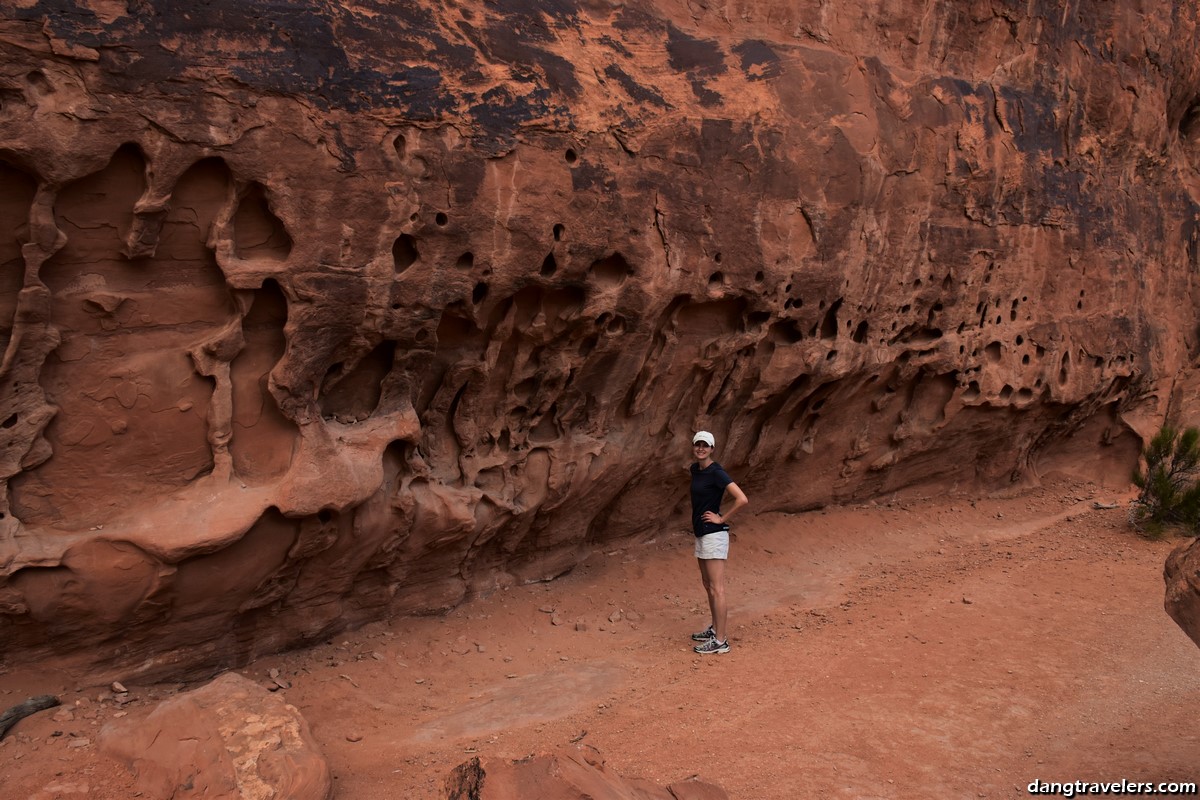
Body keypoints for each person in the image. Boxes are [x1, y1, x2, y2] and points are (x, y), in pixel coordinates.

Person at [688, 430, 748, 654]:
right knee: (708, 585)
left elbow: (741, 499)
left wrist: (721, 518)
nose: (701, 448)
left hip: (714, 534)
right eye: (698, 444)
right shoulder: (695, 469)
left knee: (717, 588)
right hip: (702, 532)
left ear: (712, 449)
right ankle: (715, 629)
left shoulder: (716, 472)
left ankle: (721, 641)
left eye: (705, 445)